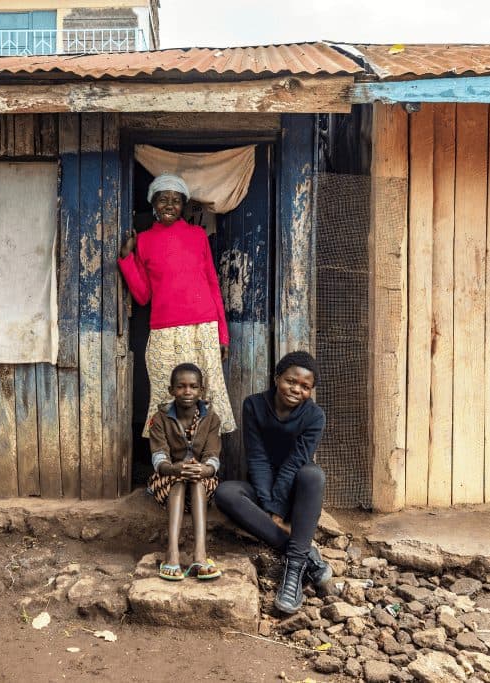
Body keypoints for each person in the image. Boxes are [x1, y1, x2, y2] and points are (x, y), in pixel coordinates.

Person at [213, 351, 333, 613]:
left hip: (296, 495)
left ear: (311, 391)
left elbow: (295, 462)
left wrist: (278, 510)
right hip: (261, 488)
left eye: (305, 387)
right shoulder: (253, 405)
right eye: (291, 381)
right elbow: (257, 458)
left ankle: (292, 573)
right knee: (225, 493)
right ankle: (304, 557)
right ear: (277, 377)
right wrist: (268, 504)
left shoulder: (315, 416)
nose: (296, 389)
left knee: (312, 474)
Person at [118, 173, 236, 437]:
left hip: (202, 327)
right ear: (153, 203)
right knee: (165, 392)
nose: (169, 205)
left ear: (184, 205)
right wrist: (127, 259)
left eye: (176, 200)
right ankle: (167, 463)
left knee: (207, 392)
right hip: (164, 331)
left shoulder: (197, 235)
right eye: (163, 199)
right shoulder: (145, 241)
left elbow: (213, 286)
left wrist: (222, 334)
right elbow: (142, 296)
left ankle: (206, 463)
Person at [147, 363, 222, 581]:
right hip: (168, 480)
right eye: (181, 387)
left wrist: (204, 469)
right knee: (179, 480)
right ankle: (172, 554)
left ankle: (200, 553)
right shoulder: (160, 418)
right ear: (172, 390)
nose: (187, 392)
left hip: (201, 482)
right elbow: (159, 457)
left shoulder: (211, 419)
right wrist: (175, 469)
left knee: (196, 480)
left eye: (193, 387)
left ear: (201, 390)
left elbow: (213, 456)